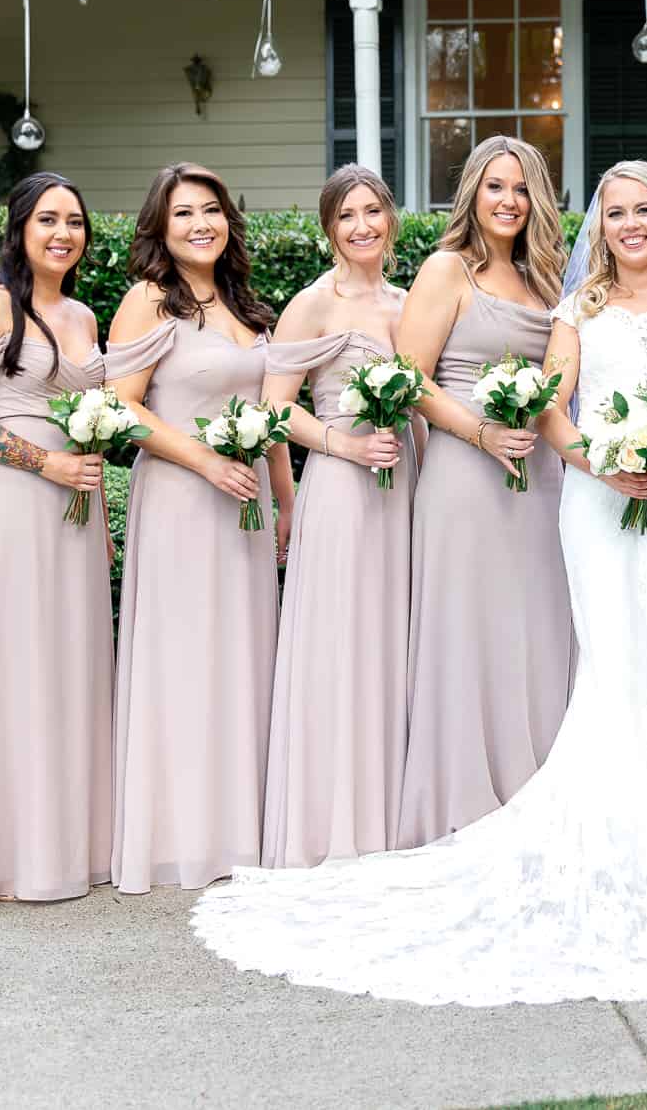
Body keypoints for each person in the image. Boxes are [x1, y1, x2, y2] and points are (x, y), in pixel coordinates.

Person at [188, 161, 647, 1005]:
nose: (630, 224)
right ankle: (603, 824)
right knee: (604, 654)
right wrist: (595, 457)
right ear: (600, 223)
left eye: (645, 210)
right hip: (593, 493)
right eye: (615, 211)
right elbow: (553, 404)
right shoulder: (576, 307)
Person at [0, 172, 113, 905]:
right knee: (14, 667)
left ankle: (62, 850)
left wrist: (96, 508)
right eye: (48, 220)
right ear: (20, 229)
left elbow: (96, 419)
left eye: (75, 221)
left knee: (69, 669)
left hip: (77, 513)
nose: (64, 233)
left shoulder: (86, 316)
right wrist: (45, 463)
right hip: (13, 504)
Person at [104, 162, 286, 894]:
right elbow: (121, 406)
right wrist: (206, 462)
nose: (200, 224)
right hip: (182, 501)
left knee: (242, 655)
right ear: (161, 225)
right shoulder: (149, 301)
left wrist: (287, 502)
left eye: (210, 210)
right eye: (183, 213)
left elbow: (272, 415)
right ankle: (179, 836)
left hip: (247, 510)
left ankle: (240, 829)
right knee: (184, 658)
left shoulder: (249, 306)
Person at [392, 136, 575, 847]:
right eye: (496, 186)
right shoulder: (447, 270)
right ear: (472, 193)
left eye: (522, 188)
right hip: (466, 477)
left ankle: (537, 788)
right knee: (469, 627)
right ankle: (463, 795)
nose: (509, 200)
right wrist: (481, 432)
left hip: (540, 479)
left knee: (536, 625)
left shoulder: (549, 281)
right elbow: (409, 378)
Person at [259, 165, 416, 867]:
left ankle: (392, 812)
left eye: (372, 211)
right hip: (341, 489)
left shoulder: (409, 303)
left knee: (396, 639)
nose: (362, 226)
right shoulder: (312, 304)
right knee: (344, 641)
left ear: (391, 219)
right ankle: (334, 823)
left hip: (404, 487)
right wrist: (347, 446)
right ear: (329, 229)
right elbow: (274, 408)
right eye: (346, 215)